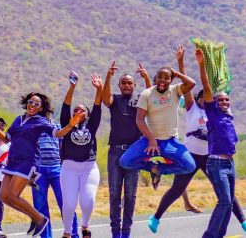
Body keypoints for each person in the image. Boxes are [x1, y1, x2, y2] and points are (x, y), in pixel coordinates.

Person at [150, 47, 246, 234]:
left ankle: (243, 220)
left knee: (225, 193)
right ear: (198, 99)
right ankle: (156, 217)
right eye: (203, 97)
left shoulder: (217, 112)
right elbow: (188, 86)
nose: (206, 100)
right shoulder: (192, 108)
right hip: (191, 154)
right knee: (178, 188)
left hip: (209, 157)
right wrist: (181, 62)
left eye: (208, 97)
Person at [0, 92, 80, 237]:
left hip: (27, 162)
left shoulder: (41, 121)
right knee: (3, 197)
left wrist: (70, 124)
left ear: (40, 108)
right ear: (27, 103)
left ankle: (40, 219)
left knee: (13, 196)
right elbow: (6, 139)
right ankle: (35, 216)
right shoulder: (18, 120)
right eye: (31, 102)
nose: (32, 105)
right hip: (12, 161)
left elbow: (58, 134)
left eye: (36, 104)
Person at [118, 60, 197, 188]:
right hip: (149, 142)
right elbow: (139, 119)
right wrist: (151, 140)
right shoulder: (147, 93)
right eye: (160, 77)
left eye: (166, 78)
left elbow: (191, 83)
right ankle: (151, 167)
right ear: (156, 78)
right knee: (125, 162)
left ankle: (158, 169)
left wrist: (176, 73)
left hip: (170, 141)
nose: (162, 80)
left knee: (189, 166)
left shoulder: (175, 90)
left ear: (171, 80)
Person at [192, 48, 240, 238]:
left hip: (230, 163)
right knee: (224, 201)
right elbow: (207, 87)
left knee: (229, 203)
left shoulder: (228, 117)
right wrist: (202, 65)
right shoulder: (212, 113)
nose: (225, 102)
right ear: (214, 102)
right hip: (216, 163)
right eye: (221, 100)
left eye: (227, 100)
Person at [103, 62, 150, 238]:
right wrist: (108, 77)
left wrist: (146, 77)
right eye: (123, 82)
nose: (126, 85)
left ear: (134, 85)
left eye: (130, 83)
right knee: (115, 193)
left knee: (130, 195)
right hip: (115, 152)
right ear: (119, 85)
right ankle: (115, 232)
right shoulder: (114, 100)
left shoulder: (140, 101)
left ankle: (126, 232)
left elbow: (151, 97)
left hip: (133, 153)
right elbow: (105, 99)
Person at [57, 72, 105, 238]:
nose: (78, 111)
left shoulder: (92, 125)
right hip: (69, 168)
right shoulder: (67, 123)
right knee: (69, 204)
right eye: (75, 110)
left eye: (82, 110)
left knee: (87, 201)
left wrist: (99, 89)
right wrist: (72, 86)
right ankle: (67, 233)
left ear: (87, 115)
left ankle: (85, 226)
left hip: (89, 168)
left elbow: (97, 106)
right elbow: (66, 105)